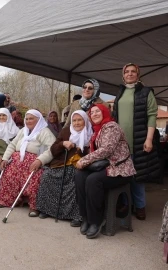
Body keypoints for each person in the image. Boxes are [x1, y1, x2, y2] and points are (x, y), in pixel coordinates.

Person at [74, 104, 136, 239]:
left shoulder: (111, 127)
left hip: (120, 170)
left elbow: (106, 149)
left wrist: (84, 160)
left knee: (93, 180)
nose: (94, 114)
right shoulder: (97, 130)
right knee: (79, 176)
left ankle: (96, 221)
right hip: (106, 167)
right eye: (92, 112)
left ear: (105, 112)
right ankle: (85, 217)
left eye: (98, 111)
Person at [112, 63, 159, 221]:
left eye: (133, 72)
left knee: (137, 177)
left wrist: (149, 139)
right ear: (123, 75)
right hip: (121, 145)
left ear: (138, 75)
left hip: (139, 141)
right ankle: (126, 204)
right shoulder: (120, 92)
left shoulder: (146, 92)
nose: (130, 74)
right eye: (127, 72)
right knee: (123, 177)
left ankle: (140, 206)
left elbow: (152, 115)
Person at [36, 110, 92, 225]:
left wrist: (81, 151)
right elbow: (53, 149)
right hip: (61, 163)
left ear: (85, 121)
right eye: (74, 120)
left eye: (79, 120)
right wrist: (63, 144)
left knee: (75, 178)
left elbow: (92, 153)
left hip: (80, 165)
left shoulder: (90, 134)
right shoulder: (66, 131)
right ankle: (47, 209)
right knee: (47, 175)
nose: (76, 123)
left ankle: (76, 215)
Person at [0, 109, 55, 217]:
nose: (28, 121)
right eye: (26, 119)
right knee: (8, 173)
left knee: (35, 177)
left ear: (38, 120)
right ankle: (8, 200)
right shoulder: (23, 130)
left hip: (34, 163)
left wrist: (40, 160)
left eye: (31, 118)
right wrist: (5, 159)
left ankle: (34, 206)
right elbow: (12, 145)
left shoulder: (44, 131)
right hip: (16, 161)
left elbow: (52, 148)